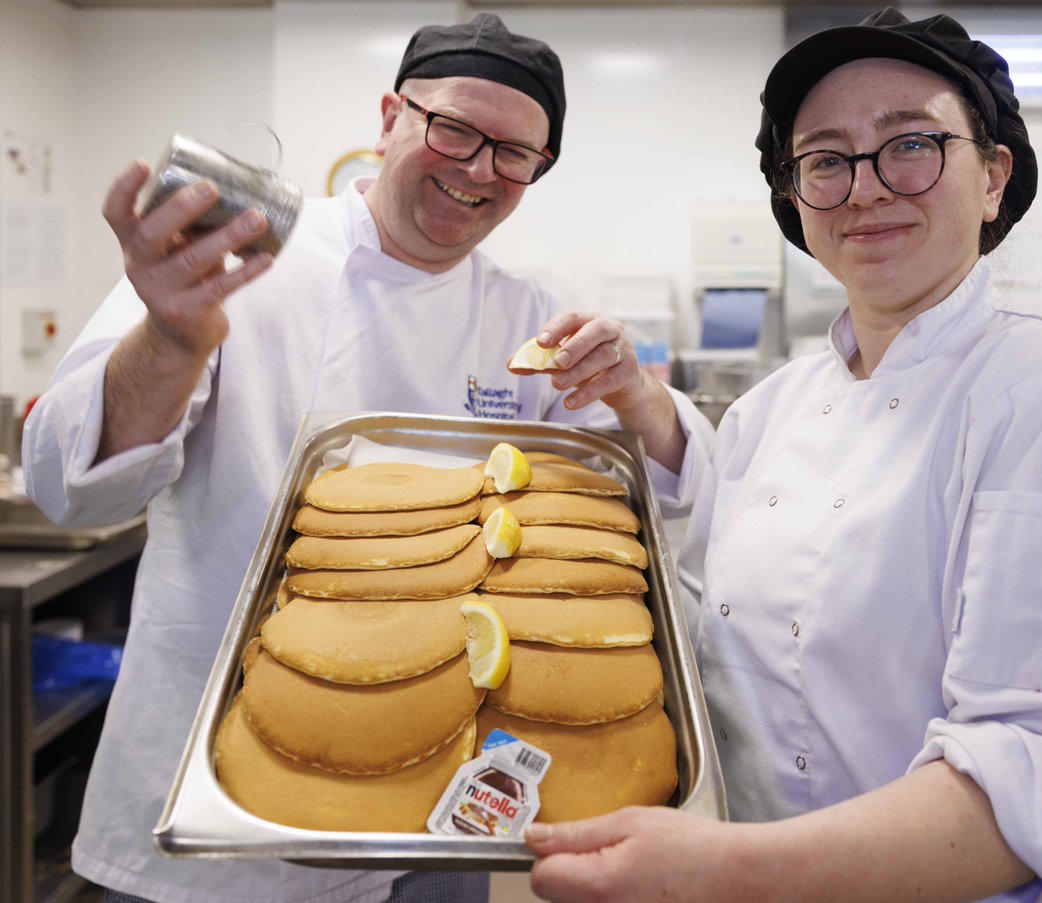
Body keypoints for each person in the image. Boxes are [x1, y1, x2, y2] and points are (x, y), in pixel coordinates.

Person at [22, 13, 712, 903]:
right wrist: (169, 335)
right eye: (454, 129)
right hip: (210, 811)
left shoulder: (525, 315)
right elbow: (71, 489)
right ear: (390, 116)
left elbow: (632, 505)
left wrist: (642, 397)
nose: (478, 170)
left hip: (438, 818)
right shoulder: (237, 258)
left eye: (515, 154)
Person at [526, 8, 1042, 902]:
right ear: (796, 197)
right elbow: (730, 527)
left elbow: (1034, 784)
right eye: (826, 159)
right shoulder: (784, 401)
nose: (865, 188)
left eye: (910, 144)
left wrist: (723, 869)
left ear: (993, 178)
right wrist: (639, 400)